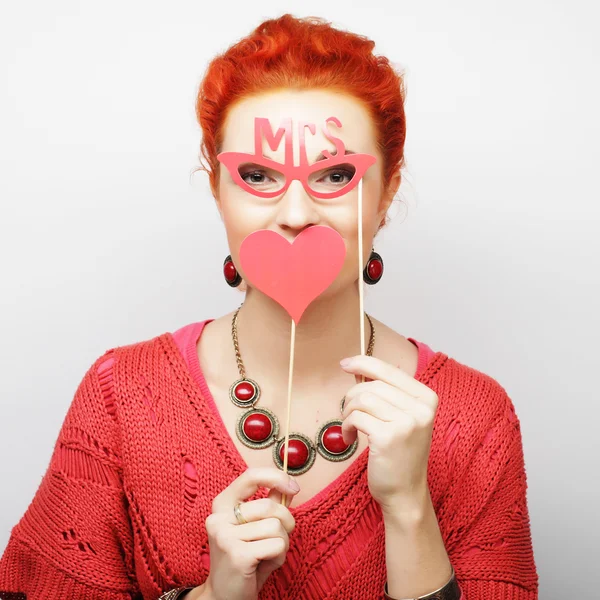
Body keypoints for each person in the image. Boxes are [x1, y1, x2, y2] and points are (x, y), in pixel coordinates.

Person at [0, 13, 539, 600]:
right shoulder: (120, 395)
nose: (296, 214)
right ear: (216, 190)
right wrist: (212, 595)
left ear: (387, 193)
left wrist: (410, 510)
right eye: (257, 175)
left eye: (335, 175)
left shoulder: (476, 418)